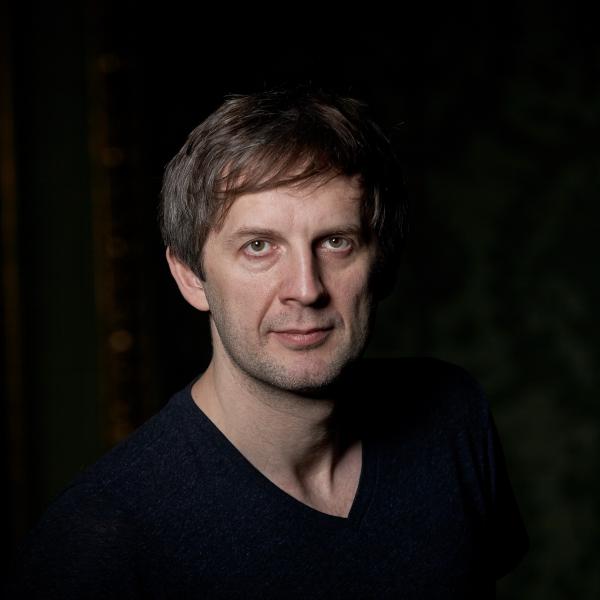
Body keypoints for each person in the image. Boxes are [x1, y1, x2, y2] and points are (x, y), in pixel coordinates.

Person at [8, 86, 528, 598]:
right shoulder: (99, 541)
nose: (306, 288)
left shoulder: (451, 416)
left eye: (336, 242)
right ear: (190, 276)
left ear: (382, 264)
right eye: (259, 246)